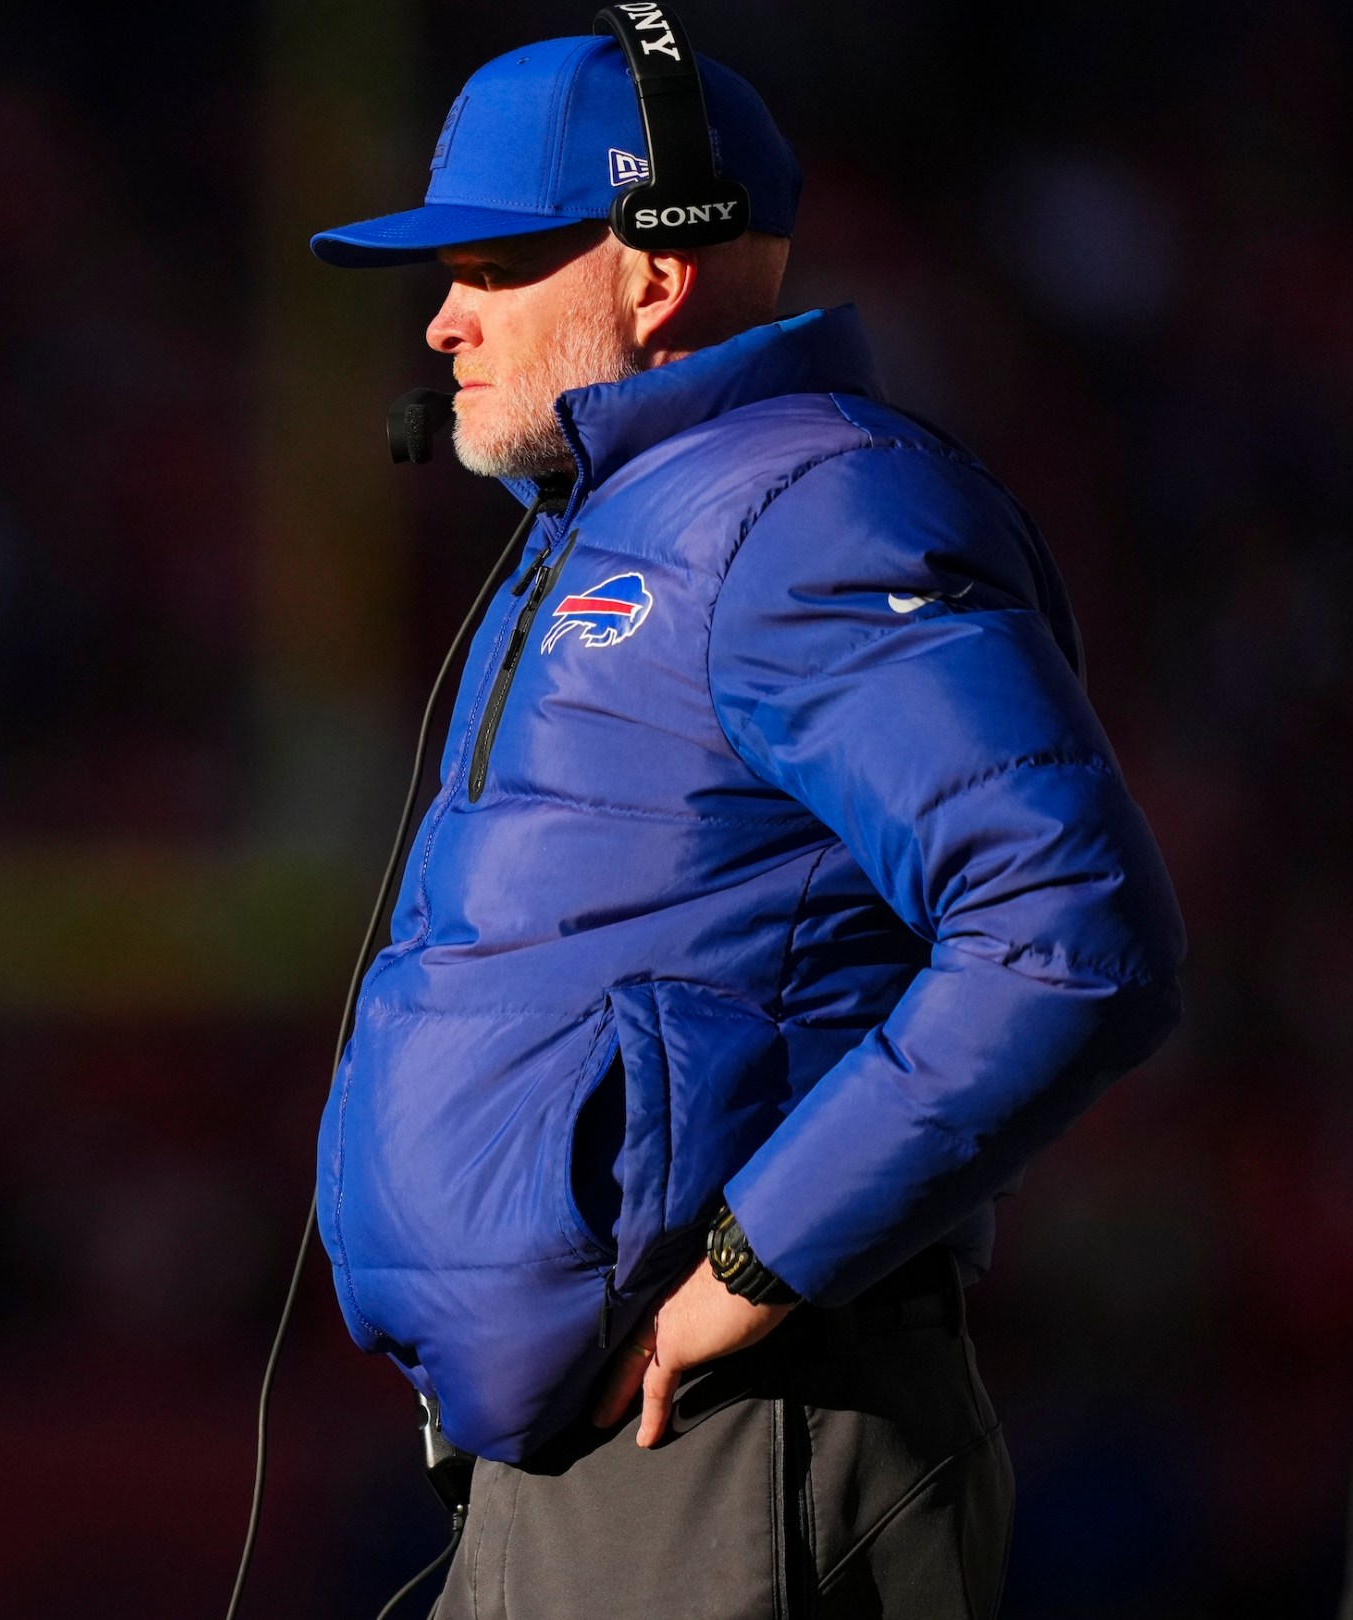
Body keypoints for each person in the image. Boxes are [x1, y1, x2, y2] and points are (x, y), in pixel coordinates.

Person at [305, 28, 1185, 1620]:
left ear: (652, 275)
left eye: (491, 263)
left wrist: (750, 1266)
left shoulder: (809, 509)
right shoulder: (622, 522)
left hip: (739, 1454)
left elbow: (1067, 930)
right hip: (581, 1475)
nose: (441, 320)